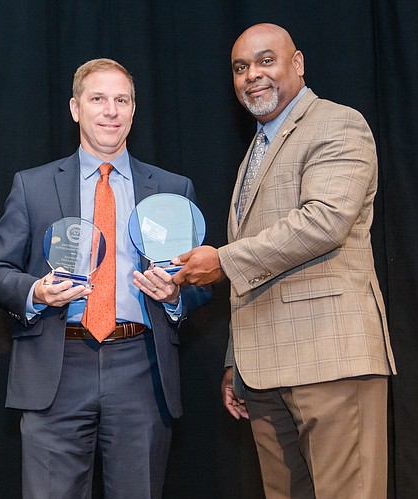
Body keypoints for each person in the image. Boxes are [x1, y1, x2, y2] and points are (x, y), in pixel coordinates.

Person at [172, 23, 396, 498]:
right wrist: (237, 361)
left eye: (265, 60)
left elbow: (324, 221)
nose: (252, 75)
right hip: (265, 375)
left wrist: (223, 260)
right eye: (240, 67)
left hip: (330, 361)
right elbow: (257, 266)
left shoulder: (338, 123)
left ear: (297, 63)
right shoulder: (256, 149)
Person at [0, 58, 209, 498]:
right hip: (56, 364)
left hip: (141, 366)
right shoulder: (33, 185)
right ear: (74, 108)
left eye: (121, 100)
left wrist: (176, 296)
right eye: (98, 99)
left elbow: (204, 282)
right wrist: (36, 291)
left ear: (133, 110)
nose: (111, 111)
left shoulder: (172, 189)